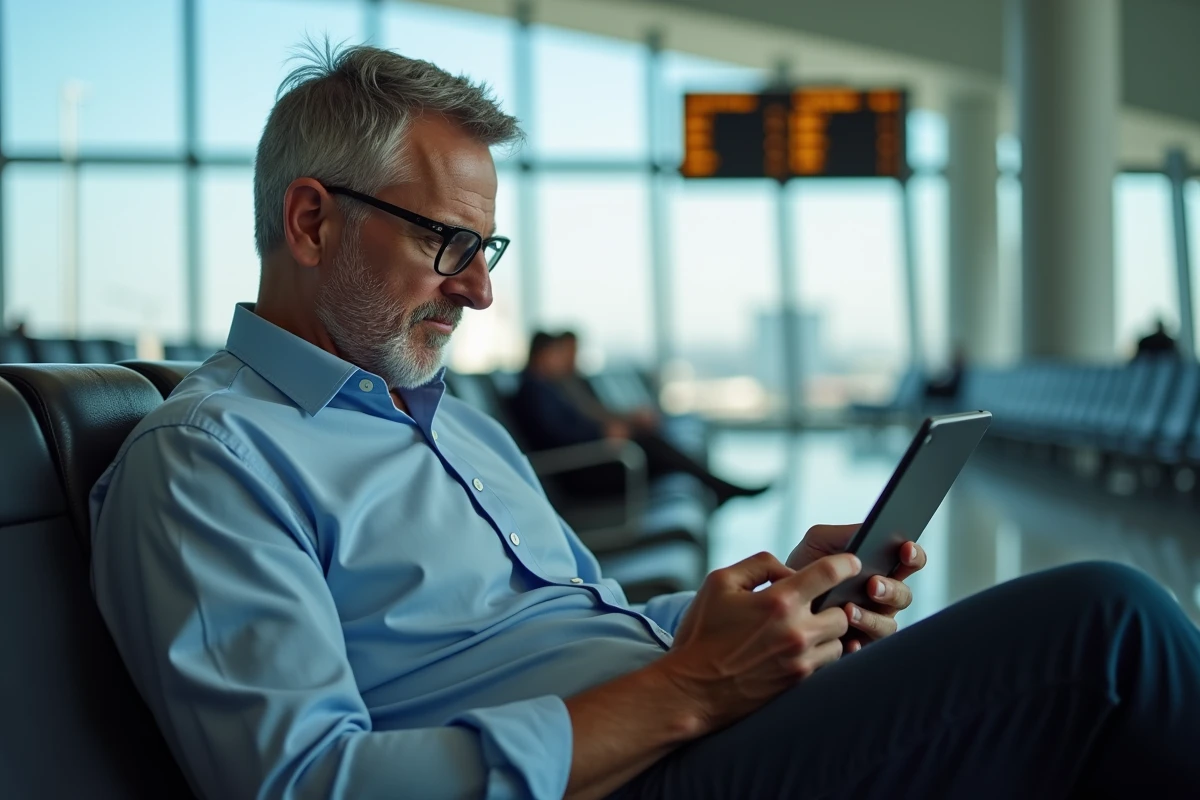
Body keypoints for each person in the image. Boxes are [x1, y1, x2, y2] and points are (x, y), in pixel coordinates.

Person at [88, 42, 1200, 800]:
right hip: (637, 770)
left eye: (487, 250)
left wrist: (758, 609)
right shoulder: (209, 459)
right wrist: (690, 689)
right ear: (311, 220)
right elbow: (304, 781)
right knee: (1105, 630)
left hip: (685, 725)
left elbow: (589, 619)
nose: (479, 291)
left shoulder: (454, 422)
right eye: (448, 244)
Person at [511, 330, 765, 505]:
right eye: (557, 354)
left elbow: (577, 421)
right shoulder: (533, 391)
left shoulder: (548, 387)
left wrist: (610, 430)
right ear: (543, 355)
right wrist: (600, 435)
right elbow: (554, 436)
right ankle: (718, 486)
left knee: (650, 442)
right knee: (651, 446)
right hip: (582, 471)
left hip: (594, 456)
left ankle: (715, 485)